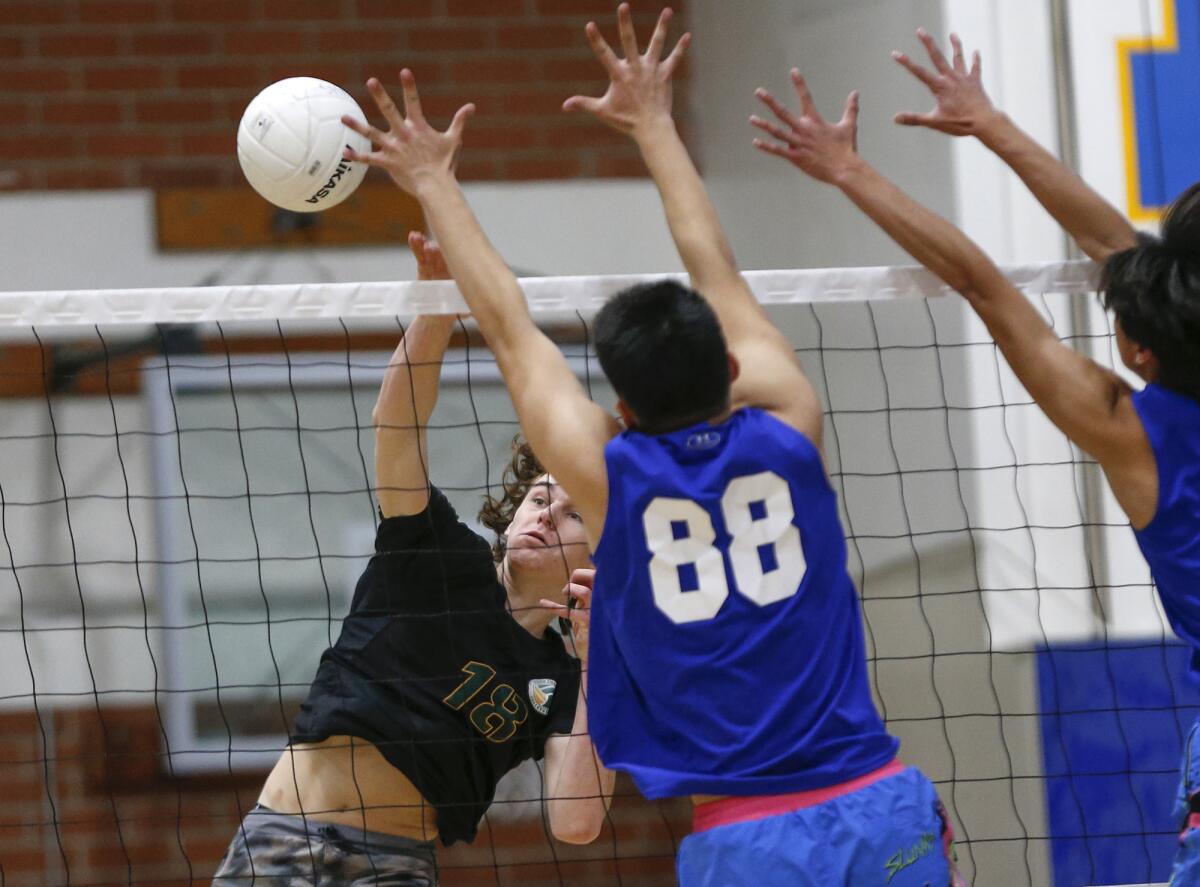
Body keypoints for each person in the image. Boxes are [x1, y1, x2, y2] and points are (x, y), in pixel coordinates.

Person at [338, 6, 963, 885]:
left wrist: (434, 179)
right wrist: (655, 124)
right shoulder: (789, 424)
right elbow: (716, 266)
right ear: (734, 365)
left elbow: (513, 329)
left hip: (750, 840)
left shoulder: (611, 480)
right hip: (874, 797)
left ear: (620, 407)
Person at [752, 32, 1200, 884]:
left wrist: (854, 172)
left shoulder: (1134, 431)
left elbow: (987, 285)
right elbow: (1126, 251)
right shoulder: (1152, 386)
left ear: (1141, 351)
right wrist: (990, 123)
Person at [212, 232, 613, 886]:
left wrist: (600, 662)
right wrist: (435, 307)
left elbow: (576, 822)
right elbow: (394, 423)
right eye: (538, 496)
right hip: (281, 837)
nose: (542, 513)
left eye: (572, 512)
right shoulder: (434, 551)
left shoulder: (562, 678)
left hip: (391, 866)